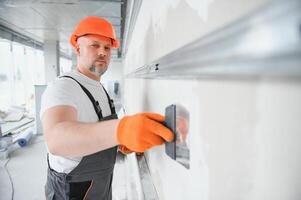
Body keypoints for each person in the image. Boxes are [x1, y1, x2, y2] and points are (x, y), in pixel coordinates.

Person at [40, 16, 174, 200]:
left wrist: (119, 144)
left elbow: (92, 132)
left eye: (107, 47)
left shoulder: (100, 89)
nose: (102, 52)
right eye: (95, 45)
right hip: (71, 193)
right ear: (78, 48)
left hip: (101, 188)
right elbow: (56, 139)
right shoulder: (63, 86)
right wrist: (120, 130)